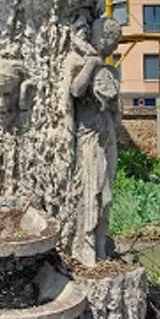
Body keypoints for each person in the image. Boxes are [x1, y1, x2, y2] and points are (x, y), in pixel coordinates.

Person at [64, 16, 122, 263]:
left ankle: (101, 243)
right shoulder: (80, 60)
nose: (113, 46)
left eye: (115, 41)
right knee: (91, 191)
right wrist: (91, 64)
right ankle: (87, 246)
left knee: (106, 194)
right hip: (88, 137)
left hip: (106, 134)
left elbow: (116, 109)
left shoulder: (107, 68)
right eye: (109, 39)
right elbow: (75, 90)